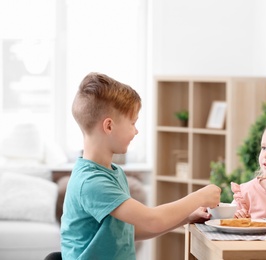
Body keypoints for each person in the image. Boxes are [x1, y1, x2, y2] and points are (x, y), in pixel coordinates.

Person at [61, 72, 221, 260]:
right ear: (109, 126)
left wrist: (187, 217)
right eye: (132, 122)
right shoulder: (91, 182)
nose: (136, 131)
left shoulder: (114, 173)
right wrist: (199, 196)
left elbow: (127, 233)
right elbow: (152, 220)